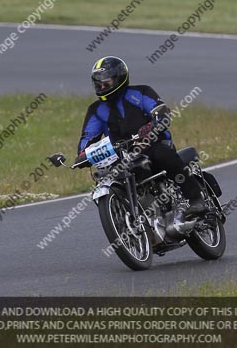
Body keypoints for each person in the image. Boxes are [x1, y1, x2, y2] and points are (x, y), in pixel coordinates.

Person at [75, 57, 208, 226]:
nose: (102, 87)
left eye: (106, 83)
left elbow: (161, 113)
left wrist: (152, 126)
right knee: (110, 174)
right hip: (122, 155)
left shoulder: (141, 92)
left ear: (119, 78)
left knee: (162, 155)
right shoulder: (96, 110)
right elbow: (88, 136)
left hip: (153, 144)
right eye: (98, 84)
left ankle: (195, 198)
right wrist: (82, 154)